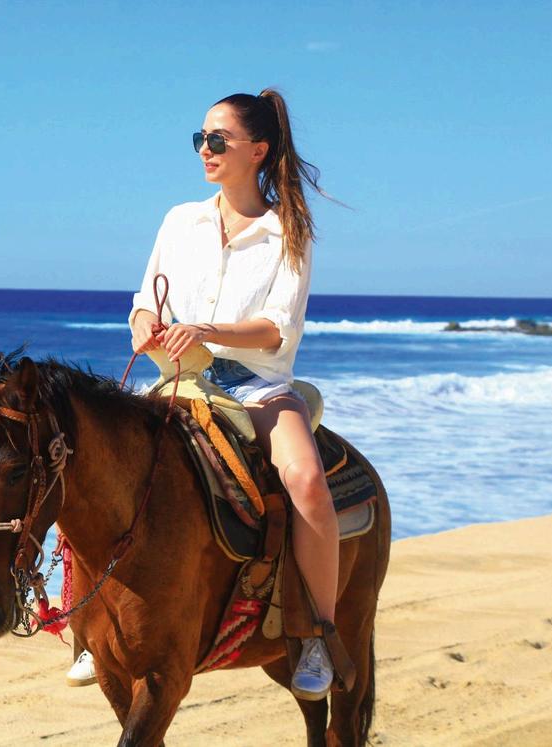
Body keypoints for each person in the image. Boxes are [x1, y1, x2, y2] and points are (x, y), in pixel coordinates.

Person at [66, 88, 339, 700]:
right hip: (175, 377)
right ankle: (87, 627)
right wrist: (146, 325)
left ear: (258, 150)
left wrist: (207, 331)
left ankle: (317, 634)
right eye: (200, 139)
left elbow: (277, 329)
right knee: (87, 464)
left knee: (306, 483)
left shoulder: (287, 230)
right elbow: (143, 302)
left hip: (256, 385)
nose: (205, 150)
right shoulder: (179, 220)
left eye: (219, 140)